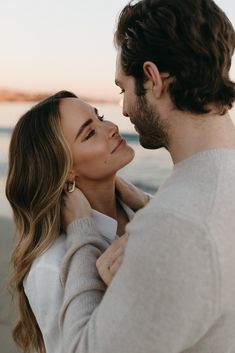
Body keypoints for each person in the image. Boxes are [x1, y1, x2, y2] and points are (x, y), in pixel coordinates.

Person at [59, 0, 235, 353]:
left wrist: (81, 234)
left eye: (124, 88)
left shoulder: (175, 227)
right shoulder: (213, 190)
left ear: (153, 79)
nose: (122, 110)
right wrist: (150, 206)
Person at [5, 90, 150, 353]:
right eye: (89, 133)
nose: (112, 127)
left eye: (100, 117)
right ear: (67, 168)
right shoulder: (51, 267)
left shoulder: (143, 214)